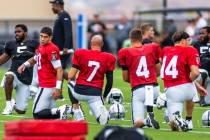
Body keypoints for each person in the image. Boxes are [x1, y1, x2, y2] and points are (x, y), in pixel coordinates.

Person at [18, 27, 70, 119]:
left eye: (45, 37)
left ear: (50, 38)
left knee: (36, 114)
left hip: (47, 85)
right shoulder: (41, 46)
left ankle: (63, 110)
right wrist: (24, 65)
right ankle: (69, 110)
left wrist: (58, 88)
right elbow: (35, 58)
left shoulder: (52, 49)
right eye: (41, 36)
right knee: (50, 117)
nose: (42, 39)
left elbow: (59, 69)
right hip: (46, 85)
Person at [118, 28, 161, 129]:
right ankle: (164, 109)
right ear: (142, 38)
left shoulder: (125, 51)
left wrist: (136, 78)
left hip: (139, 89)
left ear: (130, 39)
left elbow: (125, 78)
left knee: (137, 123)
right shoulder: (152, 47)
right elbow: (158, 72)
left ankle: (146, 120)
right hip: (154, 89)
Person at [68, 35, 116, 125]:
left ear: (90, 44)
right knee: (101, 119)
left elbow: (70, 76)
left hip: (79, 92)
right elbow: (110, 82)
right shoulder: (109, 57)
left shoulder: (80, 53)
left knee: (70, 82)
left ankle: (77, 111)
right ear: (102, 44)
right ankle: (100, 115)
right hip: (95, 94)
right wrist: (104, 96)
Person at [160, 31, 201, 131]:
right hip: (189, 90)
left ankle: (177, 118)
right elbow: (195, 73)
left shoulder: (166, 50)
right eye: (188, 40)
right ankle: (188, 120)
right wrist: (190, 82)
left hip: (172, 90)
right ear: (183, 41)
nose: (189, 42)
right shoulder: (190, 50)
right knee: (191, 91)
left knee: (173, 126)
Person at [50, 0, 83, 118]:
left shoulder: (64, 15)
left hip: (63, 50)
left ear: (59, 5)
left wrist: (65, 47)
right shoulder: (60, 16)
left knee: (59, 70)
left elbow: (68, 32)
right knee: (57, 70)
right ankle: (63, 90)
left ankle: (73, 84)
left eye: (53, 5)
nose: (52, 7)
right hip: (57, 50)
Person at [0, 24, 39, 115]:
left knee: (21, 111)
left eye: (19, 32)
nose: (16, 34)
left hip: (26, 79)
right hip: (14, 74)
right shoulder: (11, 44)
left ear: (25, 33)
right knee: (9, 76)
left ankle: (14, 104)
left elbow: (40, 56)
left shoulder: (33, 44)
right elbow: (3, 58)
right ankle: (8, 105)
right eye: (15, 32)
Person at [193, 26, 210, 106]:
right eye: (200, 33)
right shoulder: (197, 44)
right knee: (203, 74)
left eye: (203, 33)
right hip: (202, 72)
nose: (200, 35)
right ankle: (202, 98)